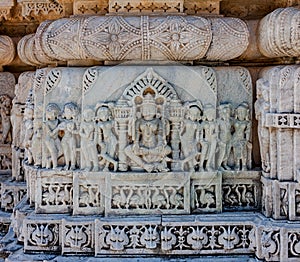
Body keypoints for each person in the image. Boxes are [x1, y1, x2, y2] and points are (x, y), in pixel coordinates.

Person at [125, 93, 171, 172]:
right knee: (127, 150)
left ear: (156, 110)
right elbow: (137, 133)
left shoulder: (158, 121)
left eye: (151, 108)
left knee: (168, 149)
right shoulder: (139, 121)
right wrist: (136, 144)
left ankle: (152, 164)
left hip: (155, 146)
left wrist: (159, 145)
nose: (148, 110)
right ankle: (144, 165)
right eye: (146, 108)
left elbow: (160, 134)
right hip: (142, 145)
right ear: (141, 109)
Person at [232, 102, 252, 170]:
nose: (241, 115)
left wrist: (247, 141)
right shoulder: (234, 121)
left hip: (243, 139)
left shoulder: (247, 123)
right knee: (236, 152)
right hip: (235, 138)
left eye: (243, 113)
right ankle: (237, 164)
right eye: (239, 113)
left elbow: (247, 132)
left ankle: (244, 165)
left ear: (246, 113)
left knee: (243, 152)